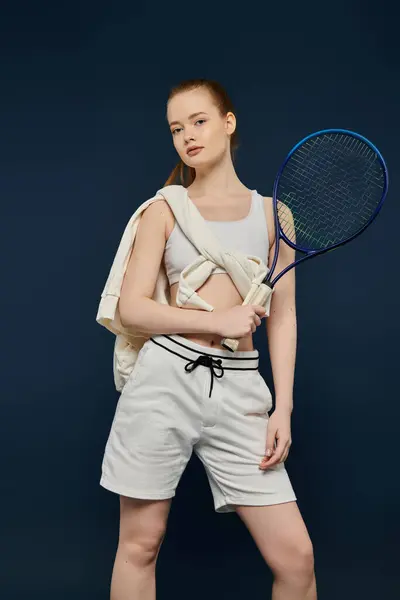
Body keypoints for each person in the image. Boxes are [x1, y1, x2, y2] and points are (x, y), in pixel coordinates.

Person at [100, 78, 317, 600]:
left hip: (242, 389)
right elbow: (132, 308)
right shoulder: (163, 209)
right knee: (140, 545)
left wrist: (282, 408)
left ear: (228, 122)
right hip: (164, 381)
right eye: (177, 129)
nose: (187, 137)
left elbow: (283, 318)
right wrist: (219, 323)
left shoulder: (273, 216)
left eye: (198, 122)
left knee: (296, 558)